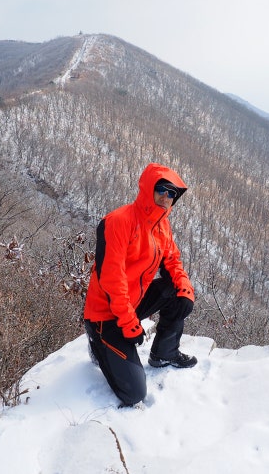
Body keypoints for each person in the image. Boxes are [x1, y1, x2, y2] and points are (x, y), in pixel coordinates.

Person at [83, 162, 197, 406]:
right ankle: (97, 342)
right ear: (148, 189)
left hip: (132, 304)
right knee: (134, 393)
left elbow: (172, 261)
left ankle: (164, 354)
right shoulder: (118, 221)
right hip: (106, 315)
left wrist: (185, 289)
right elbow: (111, 280)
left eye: (172, 194)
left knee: (175, 292)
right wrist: (128, 324)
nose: (167, 197)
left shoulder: (161, 226)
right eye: (162, 190)